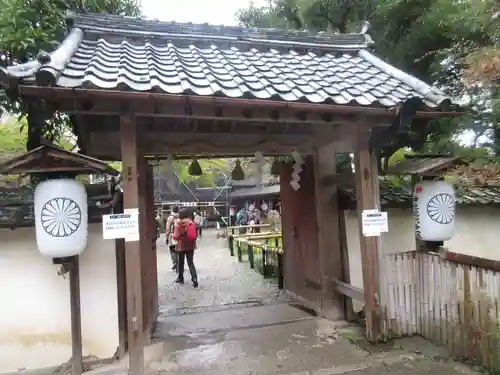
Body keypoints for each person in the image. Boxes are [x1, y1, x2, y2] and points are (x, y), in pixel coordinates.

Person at [172, 208, 198, 287]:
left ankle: (181, 278)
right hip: (190, 245)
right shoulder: (191, 223)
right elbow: (195, 234)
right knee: (190, 263)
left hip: (181, 246)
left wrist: (173, 236)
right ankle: (194, 278)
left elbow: (176, 237)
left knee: (181, 262)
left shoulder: (178, 224)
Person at [165, 206, 179, 271]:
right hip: (179, 237)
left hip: (172, 236)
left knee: (172, 250)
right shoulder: (180, 217)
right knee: (179, 250)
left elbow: (168, 229)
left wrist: (167, 238)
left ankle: (175, 262)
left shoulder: (170, 218)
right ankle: (179, 263)